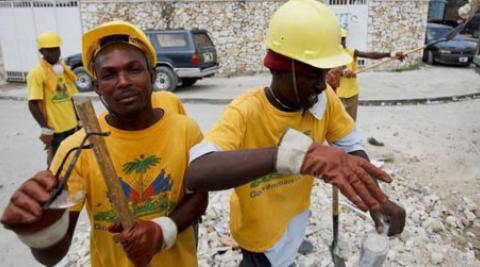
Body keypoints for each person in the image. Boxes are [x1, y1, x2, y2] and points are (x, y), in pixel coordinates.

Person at [185, 0, 405, 266]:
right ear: (278, 67)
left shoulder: (324, 102)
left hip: (296, 220)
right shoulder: (246, 112)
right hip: (258, 236)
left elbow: (352, 150)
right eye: (313, 74)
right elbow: (198, 170)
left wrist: (377, 200)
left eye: (324, 74)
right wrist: (295, 156)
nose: (323, 85)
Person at [1, 21, 208, 267]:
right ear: (97, 87)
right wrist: (40, 231)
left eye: (133, 69)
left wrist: (163, 230)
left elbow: (199, 197)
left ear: (152, 75)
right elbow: (52, 255)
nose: (123, 82)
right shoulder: (77, 149)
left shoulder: (185, 129)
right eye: (109, 75)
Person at [27, 32, 79, 164]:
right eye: (49, 50)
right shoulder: (37, 73)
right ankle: (53, 184)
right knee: (56, 163)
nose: (54, 53)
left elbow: (70, 97)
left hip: (72, 125)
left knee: (73, 160)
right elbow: (33, 103)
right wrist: (45, 128)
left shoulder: (62, 69)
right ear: (41, 51)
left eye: (56, 49)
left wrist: (78, 119)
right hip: (56, 129)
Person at [333, 28, 406, 121]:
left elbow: (371, 55)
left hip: (352, 94)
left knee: (350, 122)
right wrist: (344, 70)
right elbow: (337, 65)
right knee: (336, 122)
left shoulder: (351, 52)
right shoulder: (332, 55)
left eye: (344, 38)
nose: (342, 41)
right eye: (340, 39)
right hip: (336, 94)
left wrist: (391, 54)